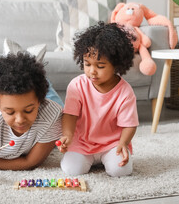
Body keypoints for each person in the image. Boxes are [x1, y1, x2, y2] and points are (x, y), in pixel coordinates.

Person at [57, 22, 139, 177]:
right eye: (87, 64)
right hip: (82, 143)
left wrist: (123, 143)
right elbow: (70, 115)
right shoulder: (77, 85)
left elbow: (129, 125)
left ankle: (107, 159)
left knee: (121, 171)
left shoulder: (125, 92)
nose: (92, 71)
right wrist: (67, 135)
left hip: (112, 143)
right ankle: (90, 159)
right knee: (72, 170)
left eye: (100, 66)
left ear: (116, 65)